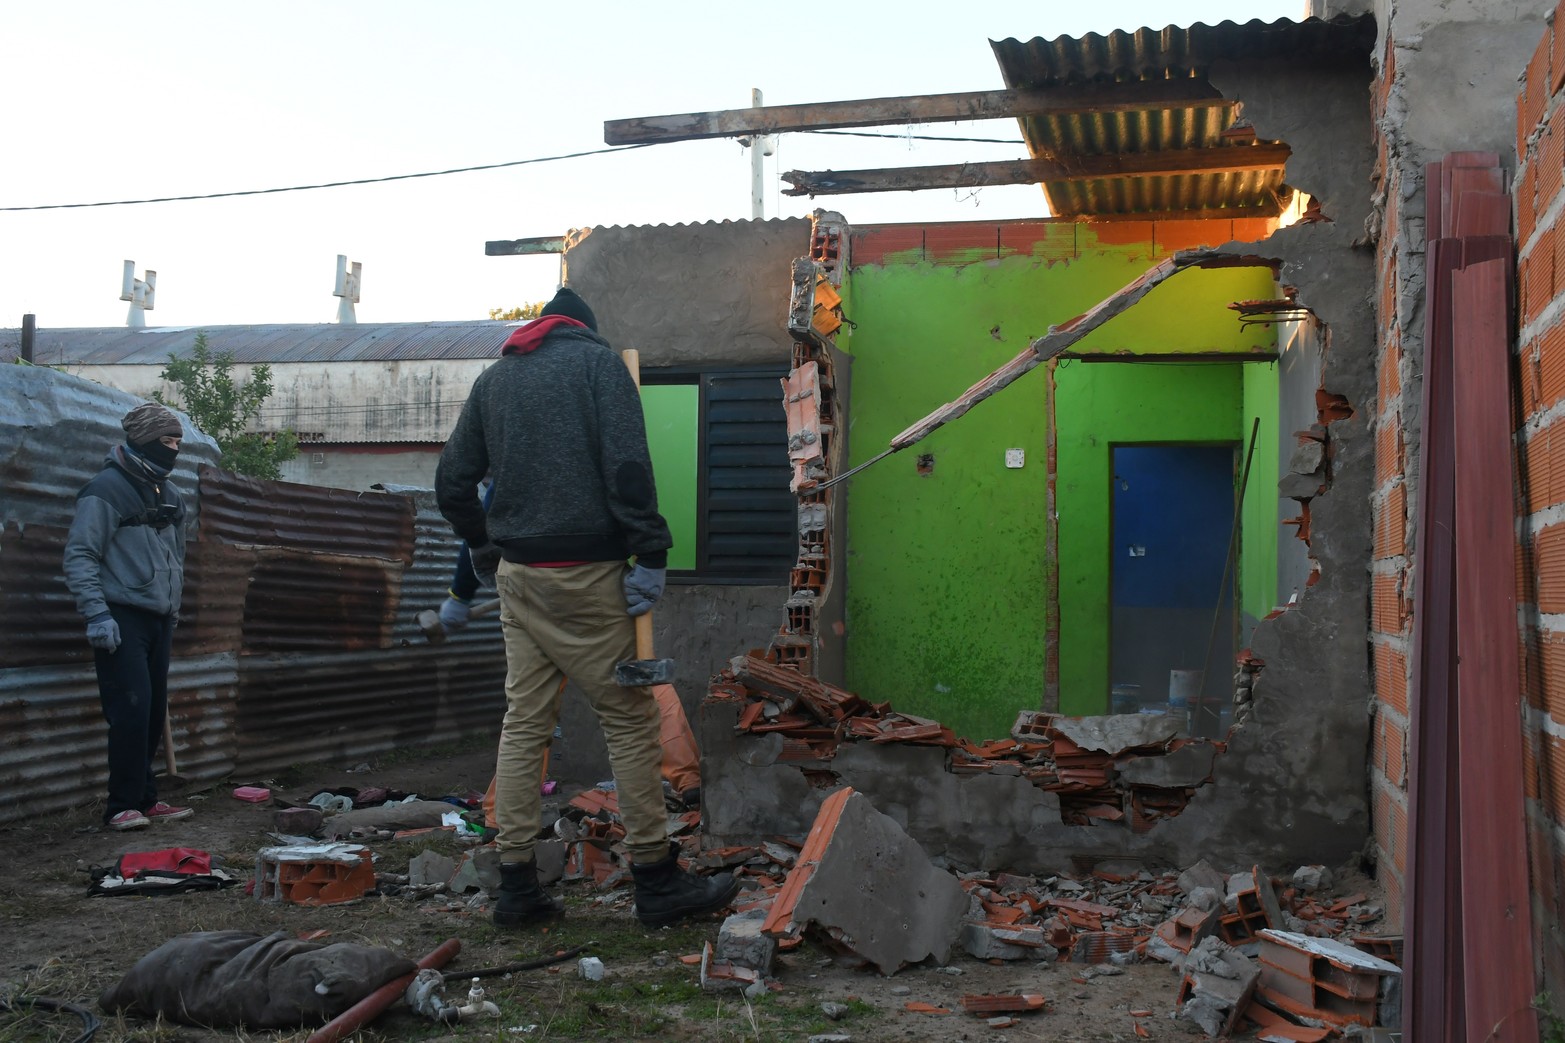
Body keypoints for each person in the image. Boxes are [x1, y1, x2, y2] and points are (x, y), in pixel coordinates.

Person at [435, 287, 737, 929]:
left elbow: (451, 483)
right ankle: (656, 879)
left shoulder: (495, 381)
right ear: (584, 330)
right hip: (588, 575)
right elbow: (628, 468)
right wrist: (651, 553)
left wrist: (486, 551)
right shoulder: (600, 367)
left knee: (525, 723)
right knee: (628, 720)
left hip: (521, 577)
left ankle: (516, 887)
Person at [63, 402, 194, 832]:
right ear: (142, 441)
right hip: (121, 617)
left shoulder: (170, 494)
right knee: (130, 710)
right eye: (166, 442)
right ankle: (120, 805)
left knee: (153, 711)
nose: (173, 450)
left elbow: (176, 556)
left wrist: (172, 609)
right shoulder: (105, 490)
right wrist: (97, 614)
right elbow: (81, 555)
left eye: (177, 442)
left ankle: (146, 798)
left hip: (159, 617)